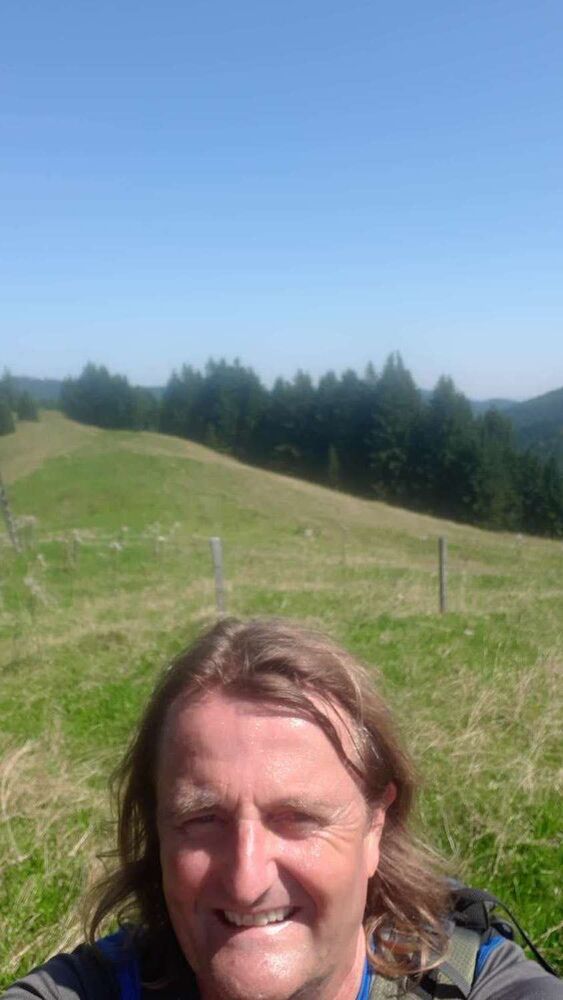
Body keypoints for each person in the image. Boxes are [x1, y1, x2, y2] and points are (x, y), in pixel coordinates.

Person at [3, 618, 561, 999]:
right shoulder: (93, 989)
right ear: (158, 833)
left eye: (298, 819)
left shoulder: (469, 984)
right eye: (202, 820)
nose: (247, 882)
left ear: (375, 825)